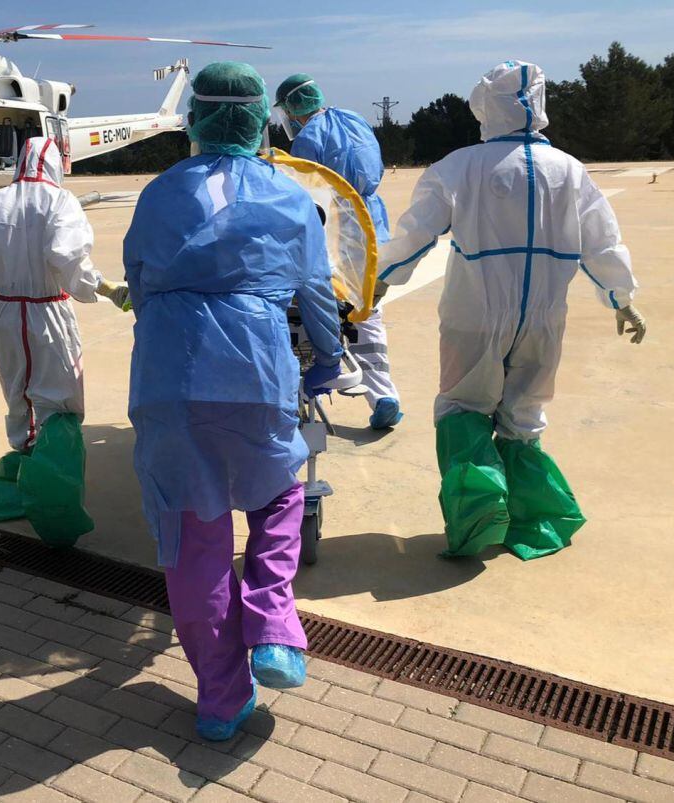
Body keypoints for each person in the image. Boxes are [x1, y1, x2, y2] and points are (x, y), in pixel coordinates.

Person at [124, 62, 345, 741]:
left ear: (193, 118)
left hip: (166, 374)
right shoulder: (287, 197)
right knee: (279, 487)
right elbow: (315, 296)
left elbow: (137, 281)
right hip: (254, 364)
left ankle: (220, 699)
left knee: (193, 539)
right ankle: (274, 622)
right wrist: (327, 364)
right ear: (258, 120)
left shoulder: (158, 195)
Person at [377, 60, 645, 561]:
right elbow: (602, 242)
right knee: (523, 413)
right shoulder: (569, 170)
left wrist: (379, 281)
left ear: (485, 107)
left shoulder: (460, 166)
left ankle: (479, 517)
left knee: (463, 407)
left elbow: (415, 237)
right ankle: (535, 522)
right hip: (544, 316)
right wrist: (621, 297)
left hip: (474, 314)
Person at [0, 136, 128, 545]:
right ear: (56, 164)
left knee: (19, 398)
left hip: (4, 314)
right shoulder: (60, 201)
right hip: (49, 312)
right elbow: (68, 258)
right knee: (59, 401)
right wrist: (105, 286)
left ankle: (25, 485)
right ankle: (56, 503)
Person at [275, 73, 403, 430]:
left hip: (336, 235)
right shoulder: (353, 119)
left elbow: (307, 194)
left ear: (290, 110)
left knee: (322, 315)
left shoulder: (307, 139)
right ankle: (383, 396)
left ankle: (302, 397)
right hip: (373, 229)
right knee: (367, 313)